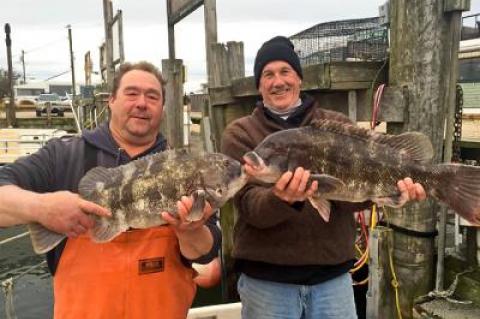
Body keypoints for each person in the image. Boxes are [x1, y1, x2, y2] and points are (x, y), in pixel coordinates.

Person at [221, 36, 426, 319]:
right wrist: (282, 199)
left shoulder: (337, 125)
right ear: (259, 85)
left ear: (299, 79)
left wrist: (389, 195)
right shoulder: (240, 133)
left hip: (333, 282)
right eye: (267, 74)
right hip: (267, 284)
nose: (277, 81)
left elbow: (350, 196)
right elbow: (249, 207)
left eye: (285, 72)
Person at [0, 61, 221, 318]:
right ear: (111, 100)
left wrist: (190, 232)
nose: (141, 103)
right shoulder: (62, 156)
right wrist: (42, 208)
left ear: (162, 107)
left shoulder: (186, 170)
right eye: (131, 93)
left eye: (152, 96)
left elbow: (206, 258)